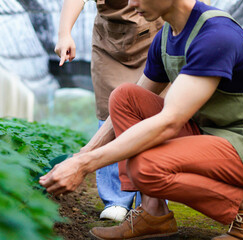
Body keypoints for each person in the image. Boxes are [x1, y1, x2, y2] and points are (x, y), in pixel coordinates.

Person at [41, 0, 243, 239]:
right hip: (210, 131)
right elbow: (137, 98)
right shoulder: (166, 37)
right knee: (125, 97)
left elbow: (169, 121)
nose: (130, 4)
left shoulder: (216, 35)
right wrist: (81, 155)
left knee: (147, 168)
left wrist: (85, 166)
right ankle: (154, 214)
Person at [54, 0, 163, 221]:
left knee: (155, 113)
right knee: (110, 110)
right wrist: (64, 34)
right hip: (111, 43)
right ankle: (116, 199)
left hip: (156, 36)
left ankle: (153, 201)